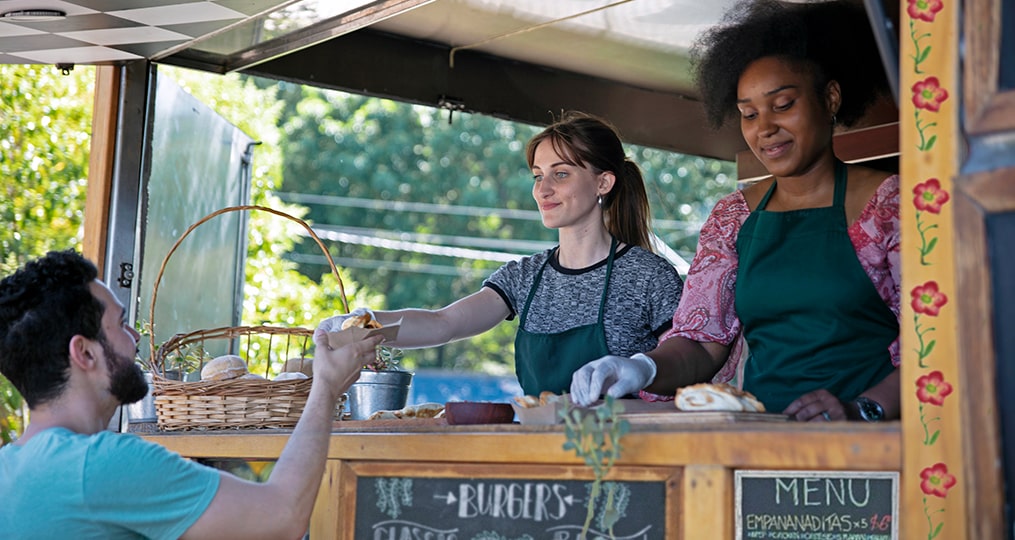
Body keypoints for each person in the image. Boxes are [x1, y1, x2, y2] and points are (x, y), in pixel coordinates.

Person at [570, 0, 901, 422]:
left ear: (831, 98)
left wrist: (862, 408)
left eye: (782, 105)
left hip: (877, 445)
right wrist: (640, 367)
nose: (764, 128)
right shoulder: (733, 217)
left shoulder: (890, 205)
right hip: (761, 438)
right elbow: (701, 341)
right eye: (749, 113)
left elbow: (934, 344)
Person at [0, 249, 382, 538]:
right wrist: (326, 387)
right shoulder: (106, 464)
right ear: (84, 352)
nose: (135, 339)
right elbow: (282, 517)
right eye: (120, 324)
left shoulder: (8, 469)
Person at [319, 112, 684, 395]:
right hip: (538, 453)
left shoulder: (649, 275)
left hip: (628, 458)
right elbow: (443, 323)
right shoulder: (525, 277)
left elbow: (691, 364)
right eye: (537, 176)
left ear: (603, 182)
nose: (543, 189)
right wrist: (367, 322)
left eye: (561, 174)